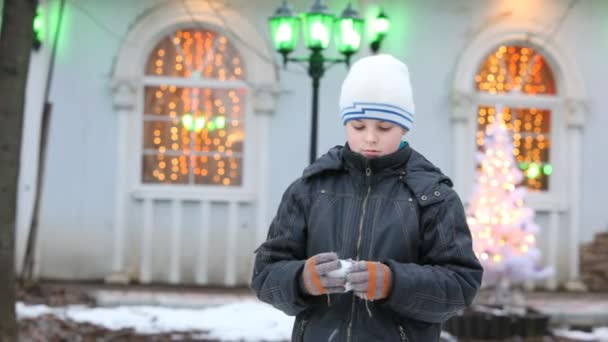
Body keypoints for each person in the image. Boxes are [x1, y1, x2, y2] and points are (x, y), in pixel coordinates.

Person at [251, 54, 482, 341]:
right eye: (358, 126)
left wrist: (393, 283)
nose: (370, 138)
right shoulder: (310, 189)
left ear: (404, 126)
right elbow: (264, 275)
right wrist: (301, 279)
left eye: (384, 128)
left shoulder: (434, 197)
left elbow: (461, 285)